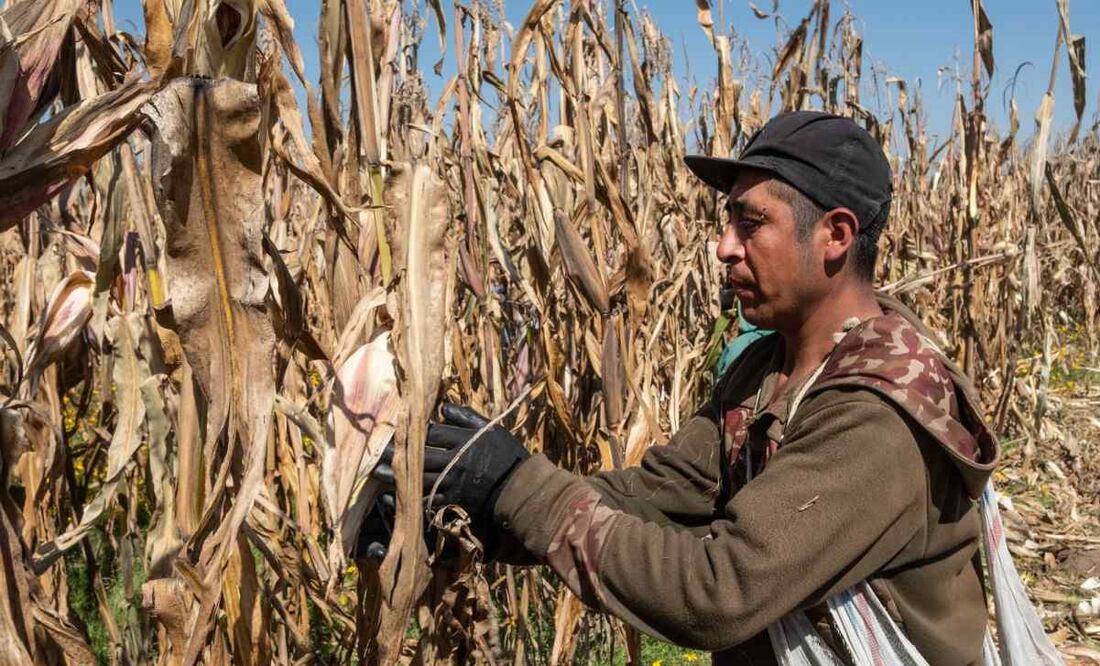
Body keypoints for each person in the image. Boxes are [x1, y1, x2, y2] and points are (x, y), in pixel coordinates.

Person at [365, 111, 999, 665]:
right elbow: (662, 493)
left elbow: (719, 592)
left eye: (751, 224)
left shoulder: (876, 415)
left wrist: (519, 486)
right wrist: (474, 509)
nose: (723, 248)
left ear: (834, 235)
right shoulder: (771, 368)